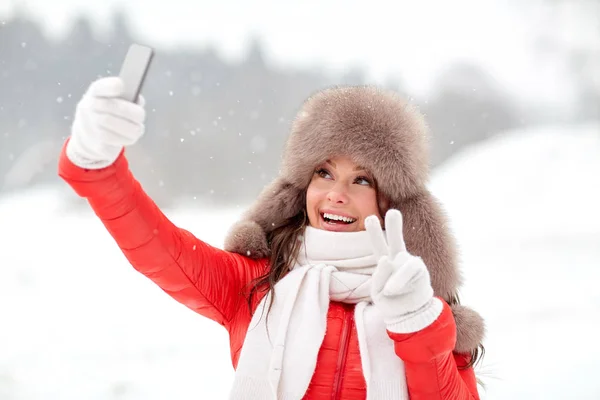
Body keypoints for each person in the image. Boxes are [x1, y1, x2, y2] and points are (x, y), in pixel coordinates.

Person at [58, 76, 485, 399]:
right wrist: (98, 165)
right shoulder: (258, 284)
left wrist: (416, 328)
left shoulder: (425, 311)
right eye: (324, 172)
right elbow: (160, 250)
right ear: (302, 187)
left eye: (362, 180)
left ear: (390, 203)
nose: (336, 193)